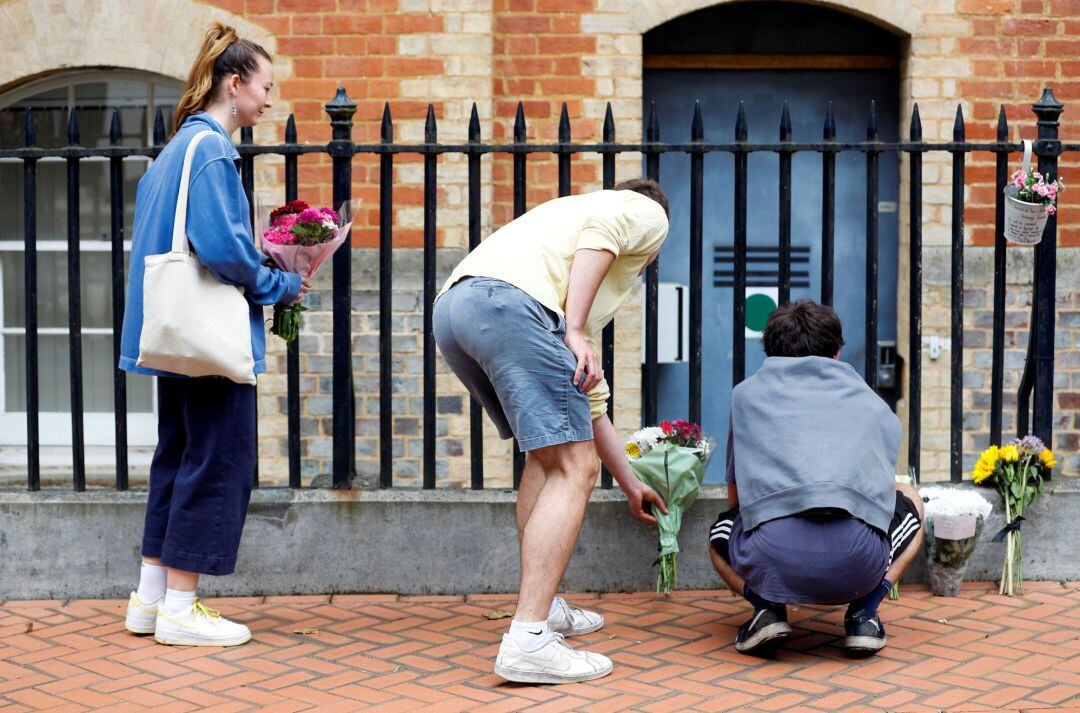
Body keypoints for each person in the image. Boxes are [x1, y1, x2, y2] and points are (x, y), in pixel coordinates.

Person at [433, 179, 671, 684]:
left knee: (550, 458)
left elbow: (589, 409)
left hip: (456, 311)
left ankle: (546, 607)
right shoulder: (644, 213)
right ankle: (529, 638)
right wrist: (577, 329)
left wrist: (630, 483)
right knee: (572, 467)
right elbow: (605, 230)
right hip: (507, 307)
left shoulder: (557, 260)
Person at [119, 23, 308, 647]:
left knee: (176, 456)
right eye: (265, 86)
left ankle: (149, 601)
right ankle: (182, 607)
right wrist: (279, 285)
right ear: (235, 84)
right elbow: (224, 249)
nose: (269, 99)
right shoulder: (212, 150)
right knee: (219, 462)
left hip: (172, 334)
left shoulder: (175, 150)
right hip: (209, 341)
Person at [707, 300, 923, 656]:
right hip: (857, 562)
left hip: (771, 555)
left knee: (718, 535)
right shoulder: (870, 402)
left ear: (770, 352)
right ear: (837, 352)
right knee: (910, 497)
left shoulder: (744, 396)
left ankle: (766, 610)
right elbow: (882, 497)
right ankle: (865, 614)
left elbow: (736, 502)